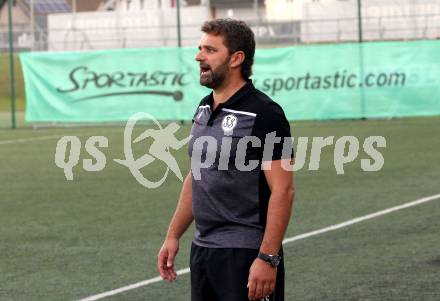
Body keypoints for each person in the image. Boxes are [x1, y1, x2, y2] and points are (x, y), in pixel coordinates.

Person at [157, 18, 295, 301]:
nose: (198, 56)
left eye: (209, 49)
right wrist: (173, 235)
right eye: (199, 48)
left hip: (245, 254)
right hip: (204, 250)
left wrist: (268, 258)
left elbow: (283, 190)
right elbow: (198, 175)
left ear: (236, 58)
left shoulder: (265, 113)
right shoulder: (204, 107)